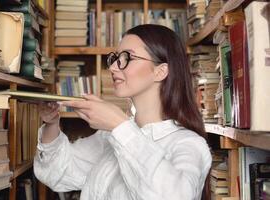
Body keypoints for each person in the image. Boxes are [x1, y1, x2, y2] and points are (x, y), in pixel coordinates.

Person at [34, 24, 212, 200]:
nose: (112, 68)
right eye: (115, 57)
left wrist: (119, 125)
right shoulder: (110, 137)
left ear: (160, 71)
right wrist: (52, 124)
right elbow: (58, 174)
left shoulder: (189, 144)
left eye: (126, 57)